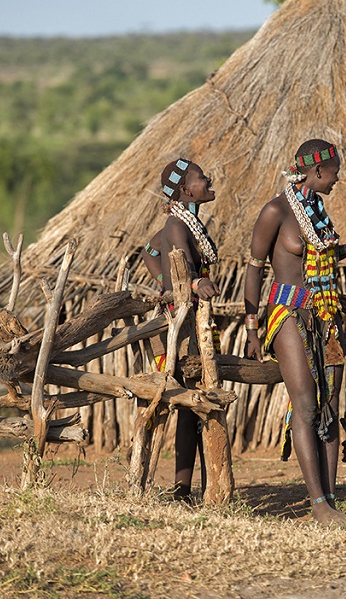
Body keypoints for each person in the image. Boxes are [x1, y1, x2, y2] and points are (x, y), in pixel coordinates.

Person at [243, 139, 346, 527]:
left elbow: (324, 252)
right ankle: (319, 504)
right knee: (306, 404)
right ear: (317, 171)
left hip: (324, 314)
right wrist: (252, 326)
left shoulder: (316, 208)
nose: (338, 178)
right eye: (336, 171)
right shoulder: (275, 210)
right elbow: (254, 267)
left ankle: (330, 498)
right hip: (288, 311)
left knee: (327, 407)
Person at [145, 158, 220, 502]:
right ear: (187, 190)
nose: (208, 180)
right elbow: (183, 272)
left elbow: (149, 251)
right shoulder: (178, 224)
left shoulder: (184, 224)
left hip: (190, 321)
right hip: (182, 328)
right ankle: (189, 489)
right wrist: (183, 284)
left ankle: (187, 490)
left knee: (194, 408)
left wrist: (169, 282)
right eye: (202, 178)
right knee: (195, 404)